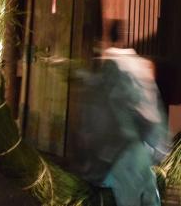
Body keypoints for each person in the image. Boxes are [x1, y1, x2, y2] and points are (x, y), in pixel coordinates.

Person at [70, 20, 168, 206]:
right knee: (147, 198)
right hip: (134, 152)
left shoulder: (103, 72)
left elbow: (89, 122)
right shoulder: (139, 67)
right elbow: (151, 113)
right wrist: (158, 146)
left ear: (106, 38)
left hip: (109, 157)